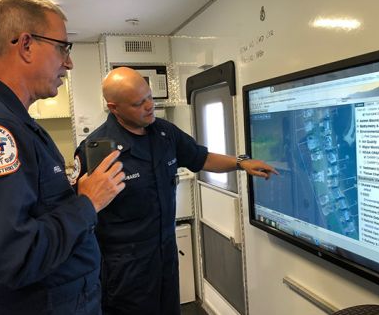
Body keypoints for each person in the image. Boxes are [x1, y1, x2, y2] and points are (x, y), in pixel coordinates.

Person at [0, 0, 126, 315]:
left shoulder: (16, 121)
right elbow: (7, 260)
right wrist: (87, 203)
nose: (68, 62)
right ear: (26, 45)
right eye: (62, 48)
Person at [71, 66, 278, 315]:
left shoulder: (164, 133)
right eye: (139, 103)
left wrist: (240, 163)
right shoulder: (97, 150)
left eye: (150, 97)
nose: (150, 106)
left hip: (165, 259)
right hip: (124, 270)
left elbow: (201, 158)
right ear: (114, 107)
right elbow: (80, 216)